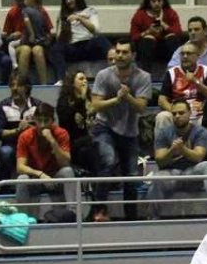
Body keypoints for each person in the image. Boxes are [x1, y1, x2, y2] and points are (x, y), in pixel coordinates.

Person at [92, 39, 153, 221]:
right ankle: (100, 210)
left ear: (133, 55)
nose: (119, 55)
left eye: (124, 52)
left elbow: (141, 107)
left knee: (132, 175)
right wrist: (117, 100)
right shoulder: (103, 75)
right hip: (104, 126)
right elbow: (95, 105)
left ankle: (131, 218)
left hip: (129, 131)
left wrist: (127, 97)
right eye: (117, 51)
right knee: (108, 161)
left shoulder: (143, 77)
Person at [148, 101, 207, 219]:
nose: (177, 116)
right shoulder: (163, 132)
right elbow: (160, 160)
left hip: (191, 174)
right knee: (157, 177)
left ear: (189, 113)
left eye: (181, 113)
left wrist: (182, 149)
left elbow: (198, 156)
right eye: (174, 113)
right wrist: (172, 150)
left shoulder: (200, 131)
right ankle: (152, 217)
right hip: (170, 174)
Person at [14, 103, 79, 212]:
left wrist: (52, 141)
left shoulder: (61, 133)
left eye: (46, 121)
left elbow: (65, 163)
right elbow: (20, 167)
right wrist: (41, 175)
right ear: (34, 120)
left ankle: (72, 213)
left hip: (55, 179)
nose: (42, 125)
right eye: (39, 120)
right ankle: (22, 217)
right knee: (22, 178)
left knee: (68, 171)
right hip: (36, 179)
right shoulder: (25, 136)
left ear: (53, 121)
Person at [56, 69, 102, 218]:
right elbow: (66, 120)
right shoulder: (64, 101)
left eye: (86, 79)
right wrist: (81, 99)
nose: (85, 82)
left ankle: (96, 205)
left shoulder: (90, 100)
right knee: (91, 148)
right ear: (72, 82)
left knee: (97, 150)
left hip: (88, 145)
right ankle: (98, 206)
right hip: (71, 145)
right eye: (81, 79)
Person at [49, 0, 110, 84]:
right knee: (55, 49)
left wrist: (80, 19)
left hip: (88, 46)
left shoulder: (90, 11)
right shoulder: (62, 14)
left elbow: (96, 30)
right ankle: (62, 79)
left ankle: (117, 69)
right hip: (72, 48)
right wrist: (65, 25)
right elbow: (59, 39)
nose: (68, 1)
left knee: (101, 40)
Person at [156, 41, 207, 136]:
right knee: (162, 116)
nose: (185, 56)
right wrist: (176, 112)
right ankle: (162, 148)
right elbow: (162, 100)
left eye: (189, 53)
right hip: (178, 112)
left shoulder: (205, 70)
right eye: (182, 54)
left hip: (199, 114)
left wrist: (196, 82)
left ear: (197, 56)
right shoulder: (172, 73)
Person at [0, 73, 41, 183]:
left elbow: (45, 129)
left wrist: (30, 127)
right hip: (11, 146)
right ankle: (4, 189)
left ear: (27, 87)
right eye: (12, 85)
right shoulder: (4, 105)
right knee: (5, 152)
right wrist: (17, 131)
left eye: (18, 85)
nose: (14, 88)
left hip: (32, 146)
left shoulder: (37, 105)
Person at [3, 0, 53, 85]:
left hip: (38, 44)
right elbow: (6, 39)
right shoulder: (12, 12)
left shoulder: (41, 12)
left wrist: (44, 40)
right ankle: (22, 84)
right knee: (25, 49)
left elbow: (49, 33)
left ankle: (44, 84)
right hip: (21, 45)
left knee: (37, 50)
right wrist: (12, 36)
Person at [129, 0, 184, 74]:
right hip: (146, 49)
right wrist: (148, 31)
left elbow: (179, 33)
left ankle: (178, 73)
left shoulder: (170, 13)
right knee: (148, 38)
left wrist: (164, 24)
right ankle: (147, 76)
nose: (157, 3)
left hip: (166, 48)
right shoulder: (140, 15)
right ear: (148, 1)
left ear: (164, 0)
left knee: (172, 37)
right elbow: (133, 37)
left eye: (159, 0)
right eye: (153, 1)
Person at [168, 16, 207, 93]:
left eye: (196, 29)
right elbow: (171, 71)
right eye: (190, 30)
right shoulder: (181, 51)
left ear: (205, 31)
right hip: (186, 91)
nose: (193, 33)